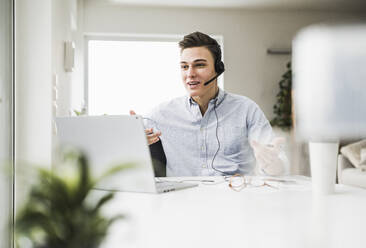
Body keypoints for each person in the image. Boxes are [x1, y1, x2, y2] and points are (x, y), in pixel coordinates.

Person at [130, 31, 289, 177]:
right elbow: (128, 150)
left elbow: (277, 161)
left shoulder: (246, 109)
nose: (190, 74)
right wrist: (133, 139)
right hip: (181, 201)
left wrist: (273, 163)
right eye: (184, 66)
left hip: (236, 199)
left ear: (218, 69)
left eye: (199, 65)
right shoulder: (161, 113)